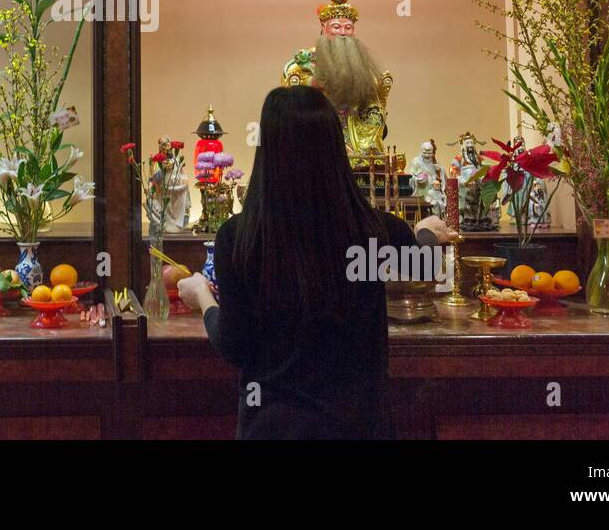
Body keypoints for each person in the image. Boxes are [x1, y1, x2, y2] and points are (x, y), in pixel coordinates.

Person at [177, 85, 453, 440]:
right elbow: (427, 266)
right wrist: (426, 233)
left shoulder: (240, 238)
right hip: (357, 426)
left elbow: (236, 345)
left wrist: (203, 297)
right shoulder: (372, 231)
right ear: (336, 149)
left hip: (273, 427)